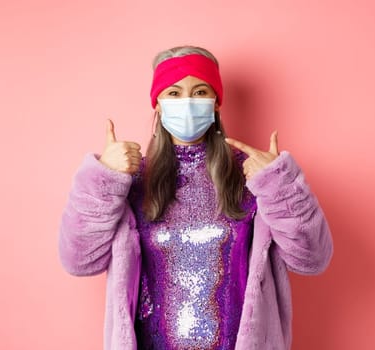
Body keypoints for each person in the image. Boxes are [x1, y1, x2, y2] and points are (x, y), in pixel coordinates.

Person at [57, 45, 334, 350]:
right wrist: (104, 179)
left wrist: (279, 184)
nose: (187, 102)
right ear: (158, 105)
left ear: (216, 103)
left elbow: (313, 259)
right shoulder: (132, 180)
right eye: (174, 93)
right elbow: (78, 261)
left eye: (200, 91)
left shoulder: (253, 176)